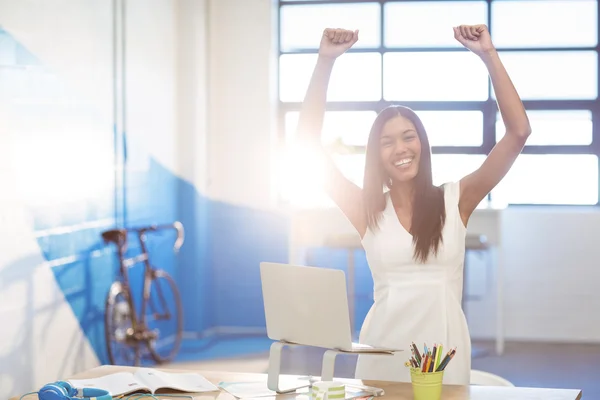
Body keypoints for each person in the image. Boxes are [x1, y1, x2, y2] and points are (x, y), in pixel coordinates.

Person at [294, 25, 531, 385]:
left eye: (409, 137)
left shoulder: (457, 200)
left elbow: (518, 133)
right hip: (382, 352)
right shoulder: (366, 209)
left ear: (423, 144)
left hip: (444, 354)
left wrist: (488, 55)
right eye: (387, 142)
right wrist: (325, 62)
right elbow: (307, 145)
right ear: (376, 155)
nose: (401, 148)